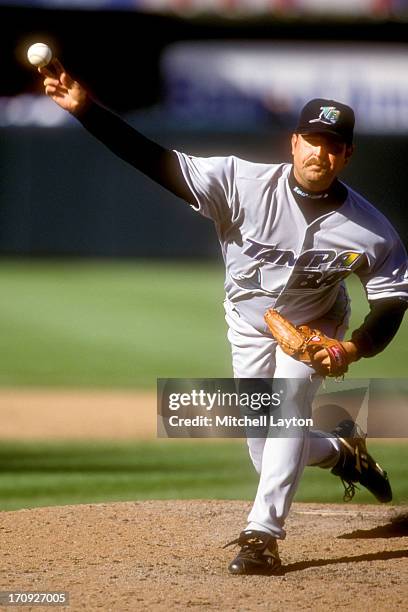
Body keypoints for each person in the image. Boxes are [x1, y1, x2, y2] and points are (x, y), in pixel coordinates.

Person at [40, 60, 408, 576]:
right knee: (266, 450)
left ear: (347, 154)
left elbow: (391, 302)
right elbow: (155, 161)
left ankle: (262, 536)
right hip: (249, 326)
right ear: (294, 143)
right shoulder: (240, 182)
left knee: (289, 405)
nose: (319, 152)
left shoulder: (371, 231)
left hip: (316, 328)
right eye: (312, 139)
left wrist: (353, 347)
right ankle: (339, 450)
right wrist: (86, 110)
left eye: (332, 144)